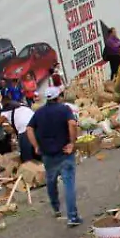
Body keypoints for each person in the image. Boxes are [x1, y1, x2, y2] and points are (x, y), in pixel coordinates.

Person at [27, 86, 81, 226]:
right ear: (59, 97)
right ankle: (72, 217)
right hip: (64, 153)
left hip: (47, 155)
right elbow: (72, 124)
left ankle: (56, 208)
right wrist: (72, 143)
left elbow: (29, 128)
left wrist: (36, 146)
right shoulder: (64, 109)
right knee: (68, 184)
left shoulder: (39, 113)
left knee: (51, 182)